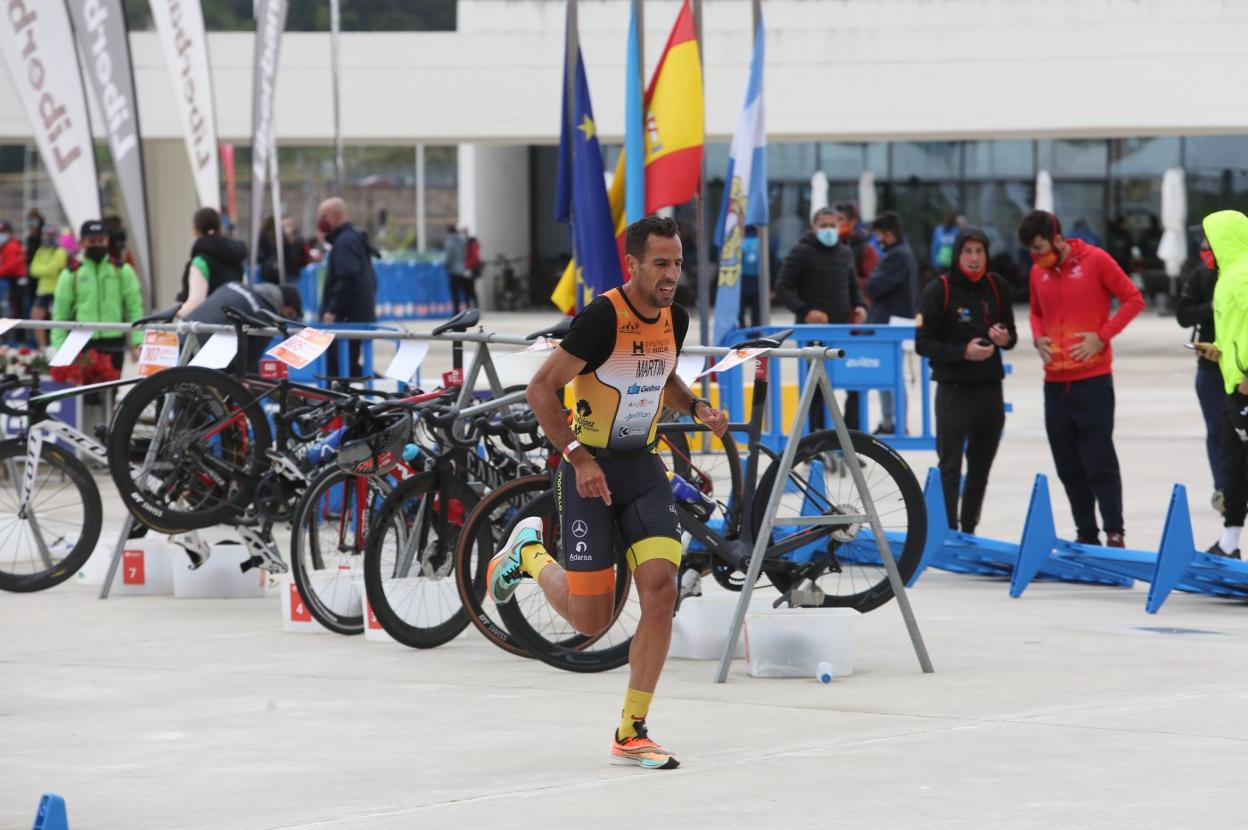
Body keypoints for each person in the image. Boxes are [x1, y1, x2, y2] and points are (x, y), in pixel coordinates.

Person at [490, 215, 729, 770]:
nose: (671, 275)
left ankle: (632, 729)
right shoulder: (602, 318)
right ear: (634, 264)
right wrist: (576, 458)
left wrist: (696, 408)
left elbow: (663, 379)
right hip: (587, 471)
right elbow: (541, 387)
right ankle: (527, 553)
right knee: (592, 622)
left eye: (678, 263)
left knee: (662, 592)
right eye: (661, 264)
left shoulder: (676, 317)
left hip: (642, 469)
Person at [1020, 209, 1144, 547]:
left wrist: (1101, 337)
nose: (1036, 256)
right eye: (1031, 250)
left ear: (1058, 239)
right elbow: (1035, 311)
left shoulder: (1096, 260)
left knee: (1098, 461)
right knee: (1067, 465)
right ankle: (1086, 533)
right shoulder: (1037, 271)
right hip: (1054, 384)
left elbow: (1134, 299)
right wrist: (1038, 336)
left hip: (1092, 380)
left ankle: (1115, 532)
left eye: (1040, 247)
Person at [914, 227, 1017, 534]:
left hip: (989, 389)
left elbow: (1011, 334)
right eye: (967, 252)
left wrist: (1005, 338)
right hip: (953, 390)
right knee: (950, 466)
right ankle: (946, 532)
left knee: (981, 467)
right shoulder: (939, 289)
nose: (974, 259)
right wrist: (963, 352)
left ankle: (968, 529)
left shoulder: (997, 286)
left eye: (979, 252)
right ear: (957, 254)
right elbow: (923, 343)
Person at [775, 207, 869, 430]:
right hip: (813, 335)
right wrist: (806, 311)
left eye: (832, 225)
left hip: (843, 332)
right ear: (814, 227)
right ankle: (816, 443)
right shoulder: (801, 252)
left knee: (854, 385)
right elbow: (782, 287)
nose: (829, 230)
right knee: (815, 390)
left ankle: (850, 440)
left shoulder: (845, 253)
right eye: (823, 225)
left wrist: (860, 306)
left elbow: (853, 287)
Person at [1204, 210, 1248, 559]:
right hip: (1233, 384)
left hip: (1245, 385)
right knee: (1232, 464)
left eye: (1208, 239)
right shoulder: (1229, 275)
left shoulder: (1243, 273)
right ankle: (1228, 543)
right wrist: (1220, 351)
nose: (1204, 246)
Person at [1176, 231, 1227, 515]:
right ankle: (1222, 489)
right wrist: (1212, 308)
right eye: (1203, 249)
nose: (1206, 254)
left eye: (1211, 249)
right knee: (1216, 431)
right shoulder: (1201, 277)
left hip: (1239, 368)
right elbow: (1183, 315)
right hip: (1209, 367)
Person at [51, 220, 144, 371]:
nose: (97, 245)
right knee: (88, 392)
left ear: (107, 241)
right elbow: (60, 313)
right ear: (82, 243)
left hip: (115, 340)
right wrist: (59, 345)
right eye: (91, 241)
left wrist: (137, 342)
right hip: (83, 341)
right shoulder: (71, 274)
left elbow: (135, 308)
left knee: (112, 389)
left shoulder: (122, 271)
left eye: (101, 240)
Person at [866, 210, 919, 434]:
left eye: (879, 234)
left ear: (889, 233)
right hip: (894, 322)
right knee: (890, 375)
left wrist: (872, 280)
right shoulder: (904, 253)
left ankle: (893, 422)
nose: (878, 240)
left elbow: (874, 286)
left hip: (890, 325)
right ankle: (892, 421)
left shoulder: (897, 256)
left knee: (890, 376)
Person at [317, 197, 377, 378]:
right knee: (348, 366)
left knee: (338, 368)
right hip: (355, 316)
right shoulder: (352, 239)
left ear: (334, 217)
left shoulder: (344, 243)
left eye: (323, 216)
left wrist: (333, 310)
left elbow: (348, 278)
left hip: (345, 319)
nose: (320, 221)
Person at [186, 281, 303, 374]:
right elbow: (250, 361)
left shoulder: (235, 284)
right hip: (206, 349)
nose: (288, 319)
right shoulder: (265, 315)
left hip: (184, 330)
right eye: (290, 314)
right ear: (286, 305)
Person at [175, 208, 247, 319]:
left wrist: (174, 313)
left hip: (208, 325)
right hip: (235, 322)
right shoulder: (235, 255)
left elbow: (196, 302)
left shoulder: (201, 261)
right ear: (219, 226)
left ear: (196, 229)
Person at [28, 226, 68, 348]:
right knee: (36, 318)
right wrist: (46, 270)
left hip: (56, 290)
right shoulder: (40, 251)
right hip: (42, 290)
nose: (48, 238)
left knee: (56, 319)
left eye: (51, 235)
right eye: (46, 235)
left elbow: (55, 269)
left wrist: (43, 270)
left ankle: (57, 345)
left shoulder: (60, 251)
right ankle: (43, 347)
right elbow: (33, 270)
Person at [832, 202, 879, 297]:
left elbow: (875, 283)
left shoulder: (865, 248)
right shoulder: (829, 246)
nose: (835, 224)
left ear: (852, 222)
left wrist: (847, 279)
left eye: (840, 219)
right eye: (833, 220)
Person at [0, 220, 27, 325]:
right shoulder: (6, 246)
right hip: (10, 281)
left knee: (11, 308)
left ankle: (10, 336)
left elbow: (11, 266)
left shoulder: (12, 246)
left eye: (3, 232)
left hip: (14, 282)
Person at [443, 224, 468, 312]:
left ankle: (456, 311)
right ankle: (466, 309)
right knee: (464, 292)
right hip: (462, 269)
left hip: (453, 270)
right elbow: (465, 255)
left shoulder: (449, 242)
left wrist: (446, 265)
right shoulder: (462, 241)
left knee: (455, 292)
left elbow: (449, 257)